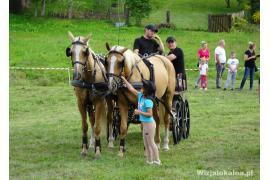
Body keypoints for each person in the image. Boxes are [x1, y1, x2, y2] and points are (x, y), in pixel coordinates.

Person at [121, 76, 161, 165]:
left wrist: (139, 112)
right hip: (145, 125)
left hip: (149, 125)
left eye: (143, 87)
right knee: (146, 144)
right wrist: (124, 80)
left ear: (146, 90)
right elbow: (131, 89)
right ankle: (150, 161)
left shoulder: (148, 101)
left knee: (151, 143)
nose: (141, 88)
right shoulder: (140, 96)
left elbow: (150, 114)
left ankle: (157, 160)